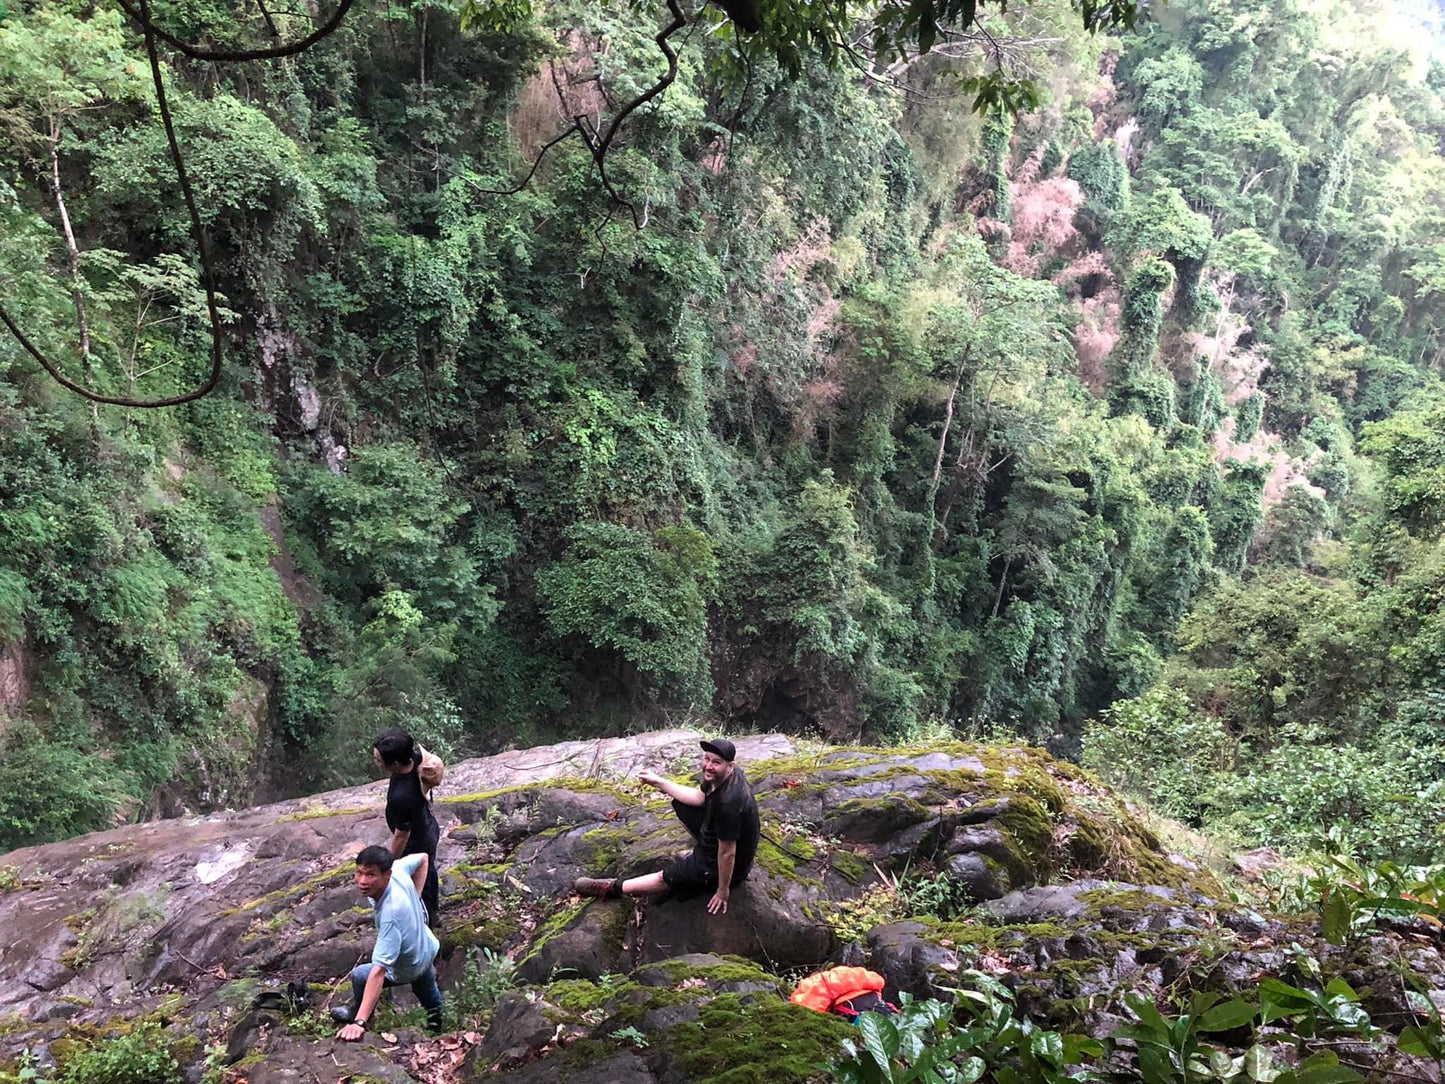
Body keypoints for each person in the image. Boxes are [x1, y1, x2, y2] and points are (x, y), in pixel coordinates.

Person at [574, 738, 760, 915]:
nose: (708, 766)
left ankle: (612, 888)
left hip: (728, 866)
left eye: (716, 762)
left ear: (730, 766)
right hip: (717, 839)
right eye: (706, 759)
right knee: (681, 804)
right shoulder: (724, 777)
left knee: (665, 877)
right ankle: (700, 849)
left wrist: (722, 890)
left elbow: (727, 853)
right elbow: (699, 798)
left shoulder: (729, 803)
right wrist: (659, 782)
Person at [332, 845, 444, 1040]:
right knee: (428, 991)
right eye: (359, 873)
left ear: (386, 875)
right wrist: (416, 899)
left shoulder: (391, 914)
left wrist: (359, 1022)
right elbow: (423, 857)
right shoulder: (399, 870)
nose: (362, 881)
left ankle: (360, 1015)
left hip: (409, 965)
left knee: (360, 975)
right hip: (426, 946)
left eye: (371, 875)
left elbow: (379, 972)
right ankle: (439, 1028)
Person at [373, 728, 441, 924]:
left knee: (421, 879)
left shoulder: (402, 796)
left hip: (416, 841)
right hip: (428, 825)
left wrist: (389, 862)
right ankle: (431, 908)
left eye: (378, 760)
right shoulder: (415, 759)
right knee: (429, 871)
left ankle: (427, 919)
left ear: (394, 764)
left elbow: (402, 835)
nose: (375, 762)